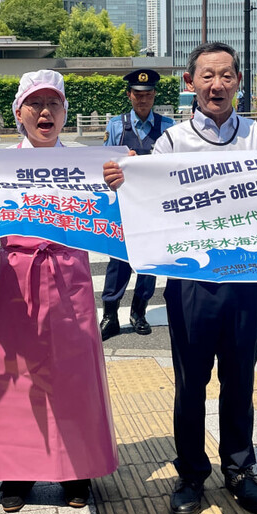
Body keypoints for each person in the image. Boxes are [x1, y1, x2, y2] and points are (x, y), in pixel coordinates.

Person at [104, 42, 257, 514]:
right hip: (191, 281)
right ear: (190, 83)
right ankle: (190, 473)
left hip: (250, 277)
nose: (217, 85)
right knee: (190, 384)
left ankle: (240, 470)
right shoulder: (172, 142)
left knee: (240, 379)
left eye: (226, 75)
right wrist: (119, 181)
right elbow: (144, 199)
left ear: (239, 80)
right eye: (207, 76)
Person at [0, 70, 117, 514]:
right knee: (17, 373)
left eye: (54, 104)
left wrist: (123, 182)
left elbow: (118, 218)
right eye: (35, 104)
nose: (46, 112)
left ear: (65, 112)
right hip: (17, 276)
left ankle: (77, 469)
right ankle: (17, 472)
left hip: (69, 274)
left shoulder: (88, 163)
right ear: (18, 112)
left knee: (74, 371)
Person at [99, 68, 175, 340]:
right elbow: (104, 165)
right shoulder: (116, 126)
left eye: (148, 94)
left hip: (153, 207)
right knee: (118, 261)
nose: (143, 99)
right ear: (129, 95)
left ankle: (139, 312)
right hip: (122, 206)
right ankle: (110, 315)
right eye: (137, 94)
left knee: (148, 262)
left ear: (154, 95)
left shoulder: (168, 127)